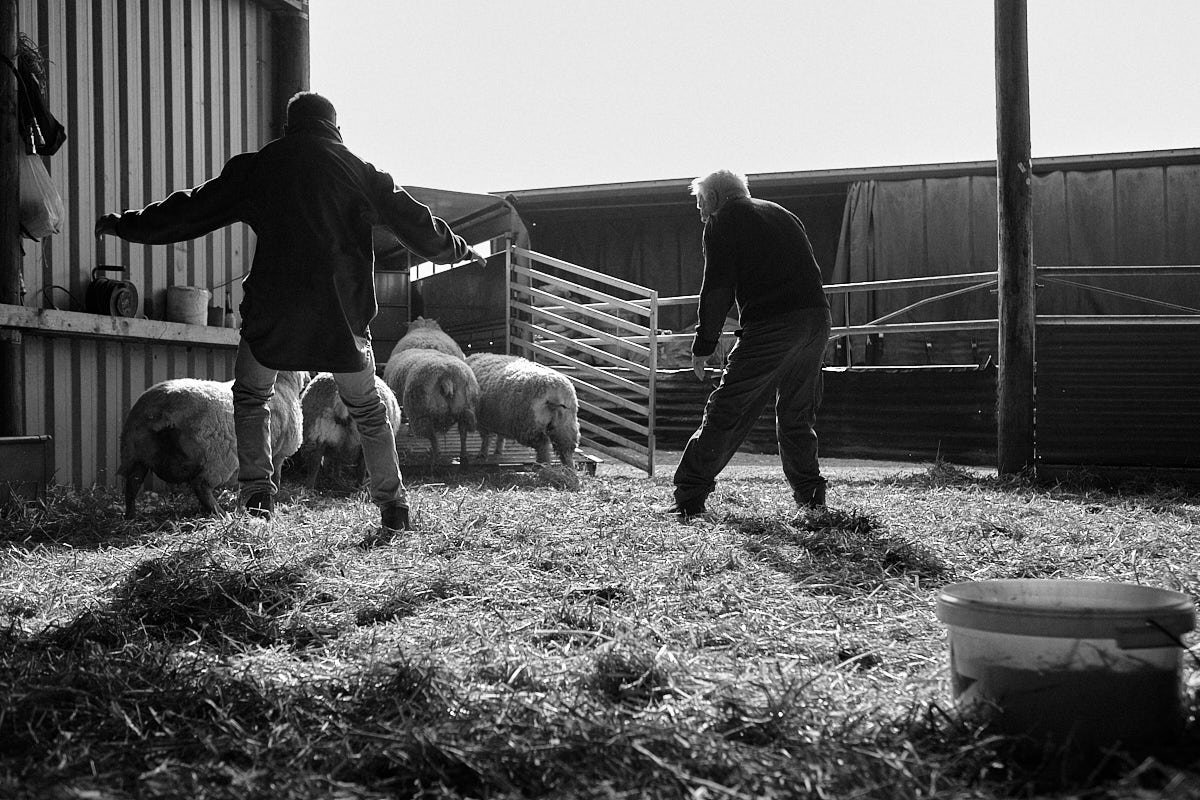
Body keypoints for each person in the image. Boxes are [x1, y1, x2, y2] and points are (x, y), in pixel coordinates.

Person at [96, 91, 485, 536]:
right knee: (370, 411)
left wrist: (126, 223)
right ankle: (393, 508)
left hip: (273, 312)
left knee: (251, 398)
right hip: (342, 315)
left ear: (289, 126)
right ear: (335, 128)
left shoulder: (259, 166)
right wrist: (460, 248)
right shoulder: (362, 172)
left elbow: (189, 210)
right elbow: (417, 224)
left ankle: (257, 498)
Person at [662, 169, 831, 518]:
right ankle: (811, 497)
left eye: (699, 202)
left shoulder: (723, 221)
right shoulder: (782, 213)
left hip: (773, 324)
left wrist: (704, 344)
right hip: (816, 320)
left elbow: (718, 287)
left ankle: (689, 495)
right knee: (797, 413)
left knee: (729, 407)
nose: (699, 211)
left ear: (713, 198)